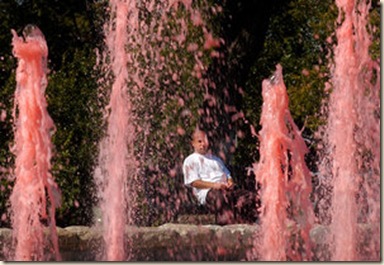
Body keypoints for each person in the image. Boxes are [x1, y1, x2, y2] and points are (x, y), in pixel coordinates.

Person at [182, 128, 258, 225]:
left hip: (225, 189)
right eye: (199, 141)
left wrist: (230, 182)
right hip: (208, 192)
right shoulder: (190, 160)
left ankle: (248, 226)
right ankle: (226, 230)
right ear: (193, 143)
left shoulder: (216, 159)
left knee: (249, 197)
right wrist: (214, 185)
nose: (203, 144)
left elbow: (227, 174)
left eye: (205, 141)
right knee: (222, 198)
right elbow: (194, 182)